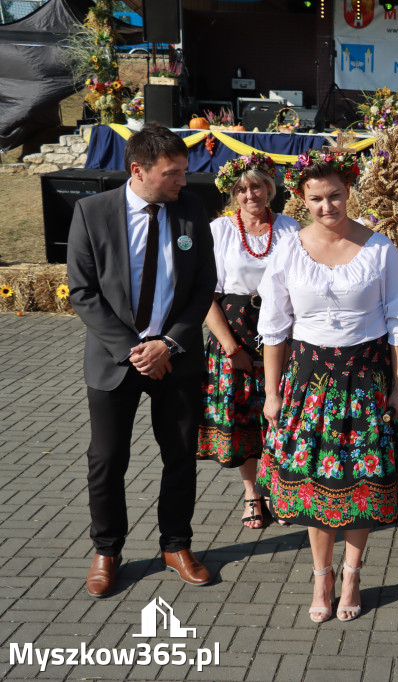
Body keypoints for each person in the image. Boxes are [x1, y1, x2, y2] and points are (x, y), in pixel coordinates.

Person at [256, 148, 398, 624]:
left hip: (364, 377)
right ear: (302, 199)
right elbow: (274, 326)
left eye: (335, 196)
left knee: (360, 482)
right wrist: (271, 392)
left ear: (349, 193)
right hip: (307, 381)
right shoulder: (288, 248)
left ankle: (352, 573)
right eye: (317, 199)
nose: (327, 207)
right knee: (314, 483)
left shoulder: (380, 247)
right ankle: (321, 575)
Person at [67, 122, 217, 598]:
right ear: (138, 171)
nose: (182, 181)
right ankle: (107, 550)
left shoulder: (192, 208)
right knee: (108, 459)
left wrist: (168, 344)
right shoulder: (92, 213)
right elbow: (83, 292)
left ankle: (176, 544)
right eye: (172, 174)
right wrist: (134, 349)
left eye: (184, 172)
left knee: (180, 455)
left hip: (176, 358)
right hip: (116, 360)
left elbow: (202, 287)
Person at [196, 153, 300, 529]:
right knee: (243, 421)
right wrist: (231, 347)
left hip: (281, 334)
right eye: (241, 188)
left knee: (281, 417)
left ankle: (279, 489)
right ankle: (252, 493)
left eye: (256, 186)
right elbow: (203, 293)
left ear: (269, 188)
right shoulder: (221, 230)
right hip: (234, 332)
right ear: (233, 193)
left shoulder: (290, 228)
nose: (249, 194)